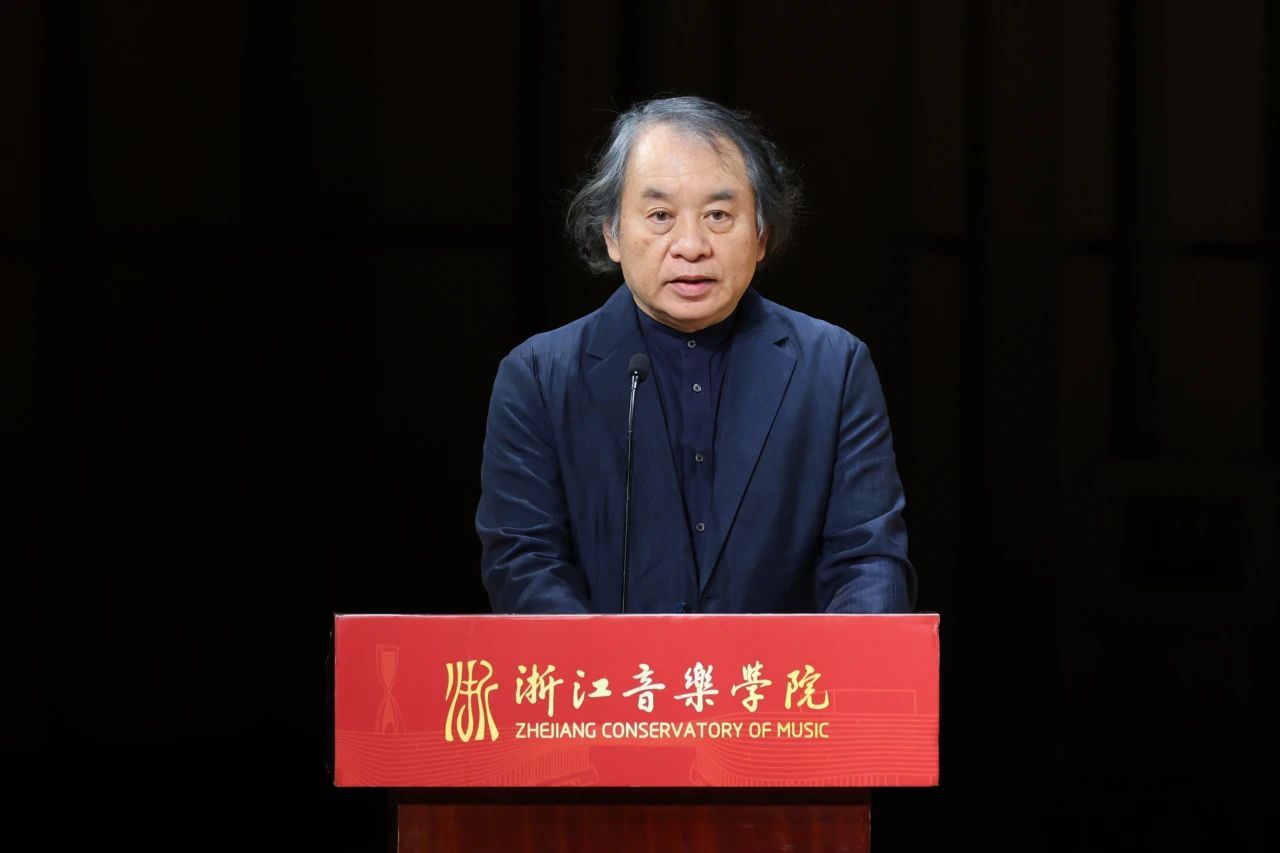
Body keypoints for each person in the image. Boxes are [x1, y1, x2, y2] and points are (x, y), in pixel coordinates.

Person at [476, 95, 915, 615]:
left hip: (781, 670)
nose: (691, 245)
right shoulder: (538, 377)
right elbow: (524, 562)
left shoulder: (834, 368)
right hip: (607, 670)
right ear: (612, 233)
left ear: (761, 236)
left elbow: (868, 560)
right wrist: (611, 665)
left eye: (718, 215)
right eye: (660, 215)